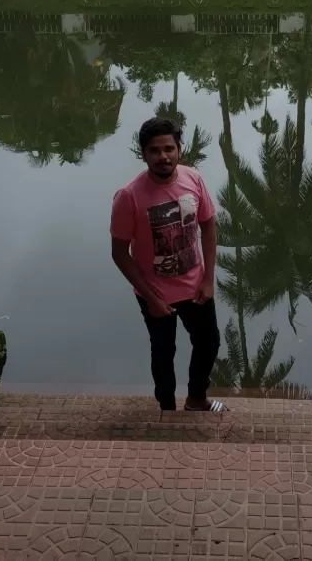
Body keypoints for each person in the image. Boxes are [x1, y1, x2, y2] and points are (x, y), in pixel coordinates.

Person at [110, 116, 225, 412]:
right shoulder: (129, 196)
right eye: (155, 151)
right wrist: (150, 298)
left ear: (179, 149)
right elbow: (120, 253)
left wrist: (208, 279)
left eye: (169, 149)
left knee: (209, 343)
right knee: (163, 353)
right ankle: (166, 409)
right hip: (154, 292)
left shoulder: (193, 179)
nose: (163, 157)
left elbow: (209, 228)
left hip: (196, 287)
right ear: (144, 154)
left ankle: (197, 399)